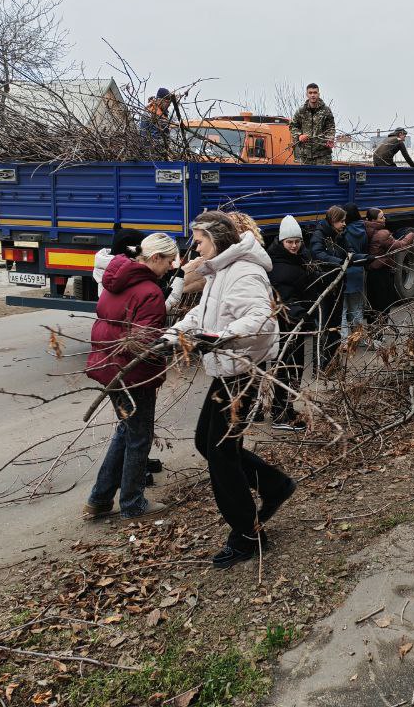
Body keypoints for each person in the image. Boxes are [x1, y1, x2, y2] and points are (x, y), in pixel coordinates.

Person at [168, 211, 294, 569]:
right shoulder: (222, 270)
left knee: (221, 453)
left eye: (200, 238)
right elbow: (202, 316)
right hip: (227, 371)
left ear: (219, 239)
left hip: (243, 372)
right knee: (206, 444)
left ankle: (248, 534)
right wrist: (173, 335)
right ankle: (273, 485)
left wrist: (220, 337)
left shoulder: (245, 272)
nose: (195, 245)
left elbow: (260, 321)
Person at [83, 232, 179, 520]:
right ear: (154, 258)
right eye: (169, 261)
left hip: (108, 366)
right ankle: (132, 503)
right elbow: (143, 342)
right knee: (139, 436)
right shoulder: (149, 291)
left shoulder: (116, 280)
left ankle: (99, 499)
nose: (172, 267)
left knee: (126, 431)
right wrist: (172, 343)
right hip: (132, 372)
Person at [267, 216, 314, 431]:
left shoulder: (298, 258)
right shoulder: (276, 264)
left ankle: (286, 407)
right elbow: (281, 296)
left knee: (292, 366)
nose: (294, 246)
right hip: (284, 325)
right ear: (281, 241)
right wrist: (298, 312)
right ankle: (280, 415)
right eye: (290, 242)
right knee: (284, 366)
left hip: (295, 323)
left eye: (297, 241)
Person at [309, 205, 350, 362]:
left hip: (337, 286)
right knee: (324, 327)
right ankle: (321, 365)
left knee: (336, 327)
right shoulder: (319, 235)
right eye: (342, 221)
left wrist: (363, 258)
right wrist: (340, 262)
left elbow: (349, 252)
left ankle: (333, 362)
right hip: (325, 288)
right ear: (333, 221)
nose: (344, 224)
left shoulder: (339, 235)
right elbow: (318, 254)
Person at [364, 208, 414, 316]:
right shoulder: (382, 234)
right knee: (383, 306)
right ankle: (380, 330)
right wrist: (411, 234)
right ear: (373, 220)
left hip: (371, 272)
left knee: (373, 304)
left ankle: (373, 330)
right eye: (382, 217)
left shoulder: (364, 230)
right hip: (381, 272)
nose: (384, 219)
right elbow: (401, 246)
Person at [339, 204, 370, 341]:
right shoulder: (363, 230)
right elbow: (365, 251)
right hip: (358, 271)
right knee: (357, 308)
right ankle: (358, 338)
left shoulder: (343, 232)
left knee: (343, 309)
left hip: (345, 271)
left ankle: (345, 341)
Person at [289, 83, 336, 165]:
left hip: (323, 155)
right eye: (310, 93)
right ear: (307, 94)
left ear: (318, 94)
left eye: (315, 92)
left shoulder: (326, 111)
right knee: (306, 178)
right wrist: (299, 135)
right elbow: (293, 126)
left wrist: (330, 139)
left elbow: (331, 128)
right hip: (305, 156)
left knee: (323, 177)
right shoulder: (301, 111)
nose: (313, 95)